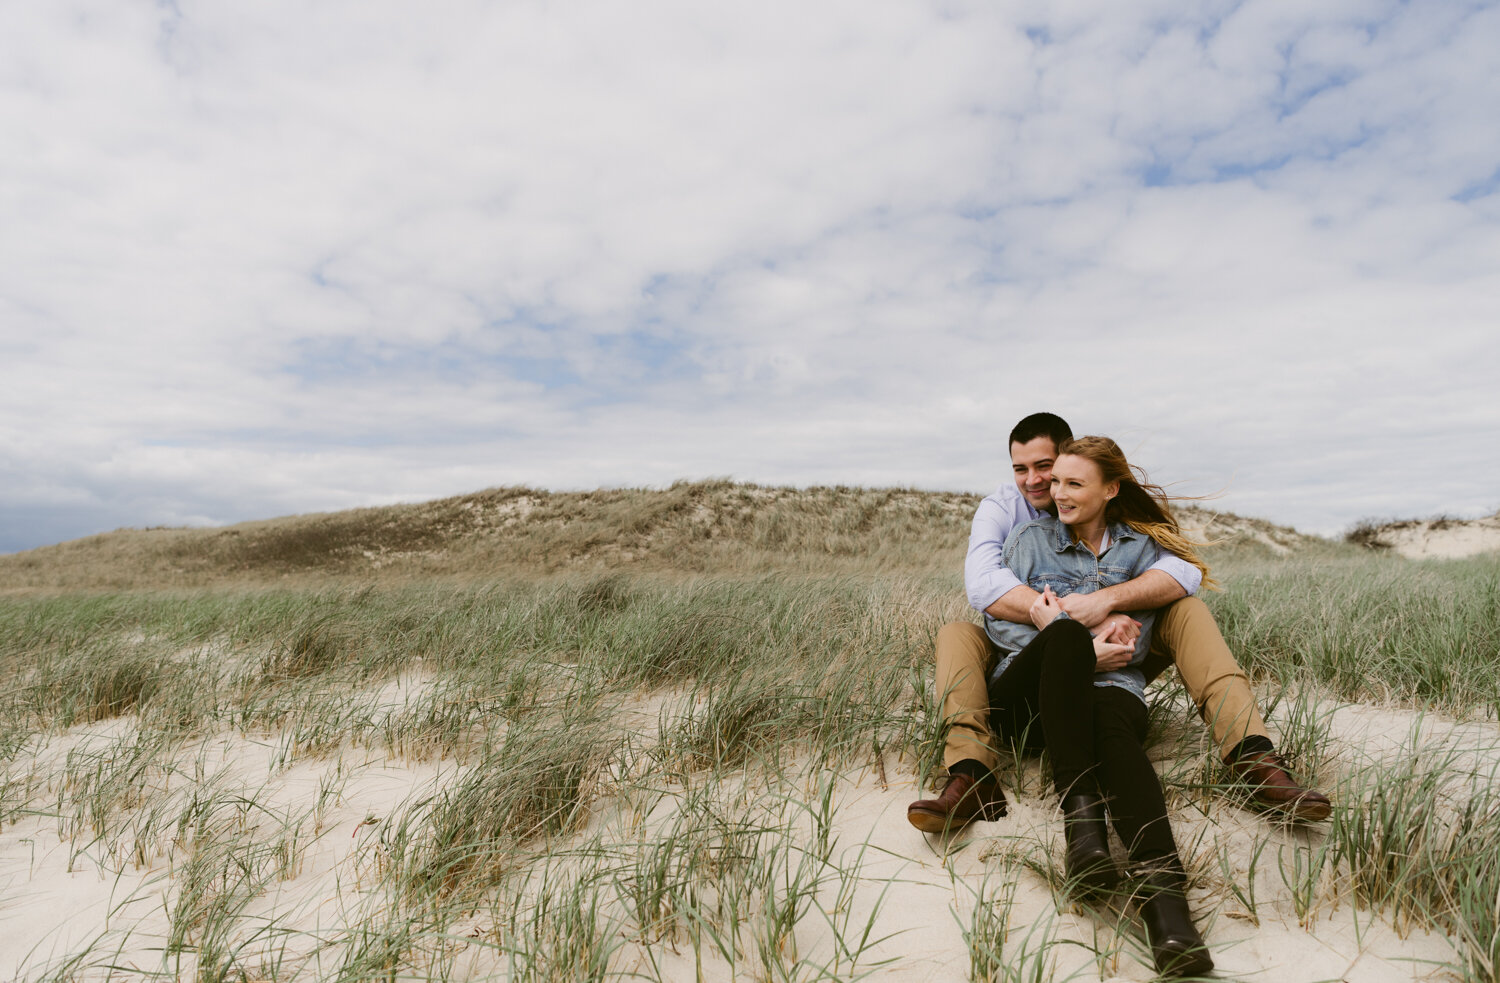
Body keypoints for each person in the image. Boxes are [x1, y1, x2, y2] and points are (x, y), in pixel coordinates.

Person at [907, 412, 1329, 834]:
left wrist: (1109, 601)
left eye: (1049, 470)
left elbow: (1184, 573)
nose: (1038, 482)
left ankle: (1251, 757)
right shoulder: (1007, 514)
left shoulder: (1127, 529)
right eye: (1022, 469)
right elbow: (984, 590)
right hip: (1030, 671)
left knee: (1188, 611)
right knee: (958, 633)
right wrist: (1079, 636)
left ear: (1073, 460)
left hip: (1119, 661)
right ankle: (970, 775)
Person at [986, 435, 1214, 976]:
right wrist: (1082, 649)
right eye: (1055, 480)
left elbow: (1173, 592)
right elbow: (1003, 630)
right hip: (1030, 706)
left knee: (1112, 731)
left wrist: (1115, 608)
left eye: (1072, 482)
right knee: (1062, 636)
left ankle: (1168, 914)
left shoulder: (1140, 550)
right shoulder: (1028, 541)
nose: (1056, 492)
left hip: (1114, 693)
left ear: (1111, 489)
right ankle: (1080, 821)